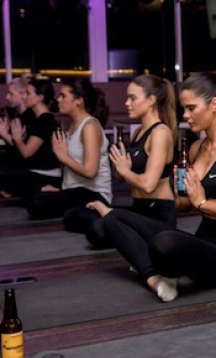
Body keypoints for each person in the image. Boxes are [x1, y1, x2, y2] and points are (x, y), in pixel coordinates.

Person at [104, 69, 216, 302]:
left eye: (191, 108)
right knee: (114, 218)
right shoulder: (196, 149)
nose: (185, 115)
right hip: (203, 239)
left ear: (214, 104)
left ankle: (161, 271)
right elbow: (184, 205)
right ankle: (155, 278)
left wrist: (202, 201)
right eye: (184, 108)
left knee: (164, 243)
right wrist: (180, 191)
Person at [64, 75, 178, 247]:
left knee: (97, 230)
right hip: (139, 208)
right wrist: (118, 167)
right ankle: (113, 215)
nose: (127, 103)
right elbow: (122, 177)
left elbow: (148, 184)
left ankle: (112, 215)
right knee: (75, 214)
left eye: (132, 98)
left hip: (158, 214)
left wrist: (125, 171)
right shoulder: (138, 131)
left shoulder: (160, 132)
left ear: (150, 100)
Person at [27, 78, 112, 220]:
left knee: (37, 203)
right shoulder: (72, 125)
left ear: (78, 100)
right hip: (75, 191)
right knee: (35, 195)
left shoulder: (90, 126)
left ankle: (96, 212)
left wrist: (63, 157)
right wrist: (60, 191)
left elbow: (90, 171)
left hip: (95, 193)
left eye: (63, 96)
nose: (58, 99)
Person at [0, 78, 61, 200]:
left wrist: (17, 137)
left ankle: (42, 189)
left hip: (45, 174)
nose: (24, 97)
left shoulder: (45, 120)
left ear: (40, 97)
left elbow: (26, 153)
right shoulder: (37, 119)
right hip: (33, 170)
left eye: (28, 94)